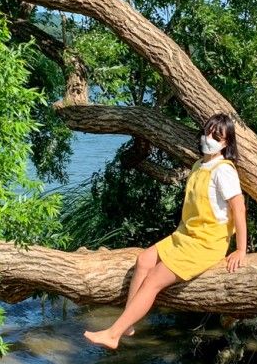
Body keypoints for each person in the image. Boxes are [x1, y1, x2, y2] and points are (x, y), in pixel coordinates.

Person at [83, 112, 247, 350]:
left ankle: (113, 334)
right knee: (143, 261)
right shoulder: (199, 165)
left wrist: (241, 250)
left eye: (217, 136)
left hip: (206, 244)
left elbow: (239, 209)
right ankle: (128, 322)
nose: (209, 138)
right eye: (207, 132)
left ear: (226, 143)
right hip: (185, 236)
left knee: (152, 282)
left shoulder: (224, 170)